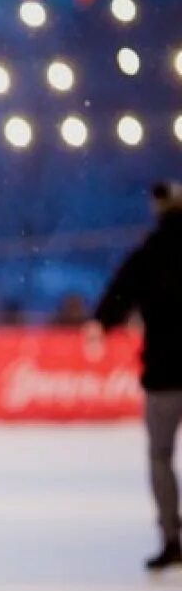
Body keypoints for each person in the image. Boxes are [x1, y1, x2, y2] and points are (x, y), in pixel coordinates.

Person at [93, 181, 182, 571]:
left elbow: (121, 291)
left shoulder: (151, 253)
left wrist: (103, 321)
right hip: (164, 370)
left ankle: (171, 538)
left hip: (163, 373)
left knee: (160, 457)